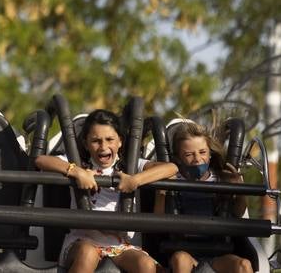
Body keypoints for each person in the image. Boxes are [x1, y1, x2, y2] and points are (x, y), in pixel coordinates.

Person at [36, 108, 178, 273]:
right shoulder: (79, 163)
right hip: (84, 241)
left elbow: (171, 168)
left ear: (120, 141)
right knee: (88, 254)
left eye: (110, 139)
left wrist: (135, 180)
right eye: (96, 141)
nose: (103, 147)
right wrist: (76, 171)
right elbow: (41, 160)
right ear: (85, 143)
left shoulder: (130, 166)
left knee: (145, 265)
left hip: (120, 245)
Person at [164, 121, 251, 273]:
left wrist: (238, 187)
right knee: (181, 260)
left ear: (210, 153)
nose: (197, 159)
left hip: (217, 253)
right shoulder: (173, 178)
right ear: (178, 158)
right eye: (189, 154)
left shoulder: (220, 178)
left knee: (243, 265)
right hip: (183, 250)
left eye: (202, 152)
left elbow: (238, 212)